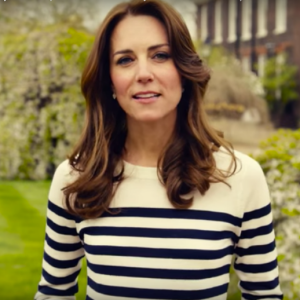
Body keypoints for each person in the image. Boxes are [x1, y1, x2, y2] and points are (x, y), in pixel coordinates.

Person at [34, 0, 284, 299]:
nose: (143, 73)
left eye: (160, 55)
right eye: (125, 60)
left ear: (185, 70)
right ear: (110, 81)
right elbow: (53, 292)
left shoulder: (240, 176)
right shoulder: (75, 178)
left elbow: (264, 294)